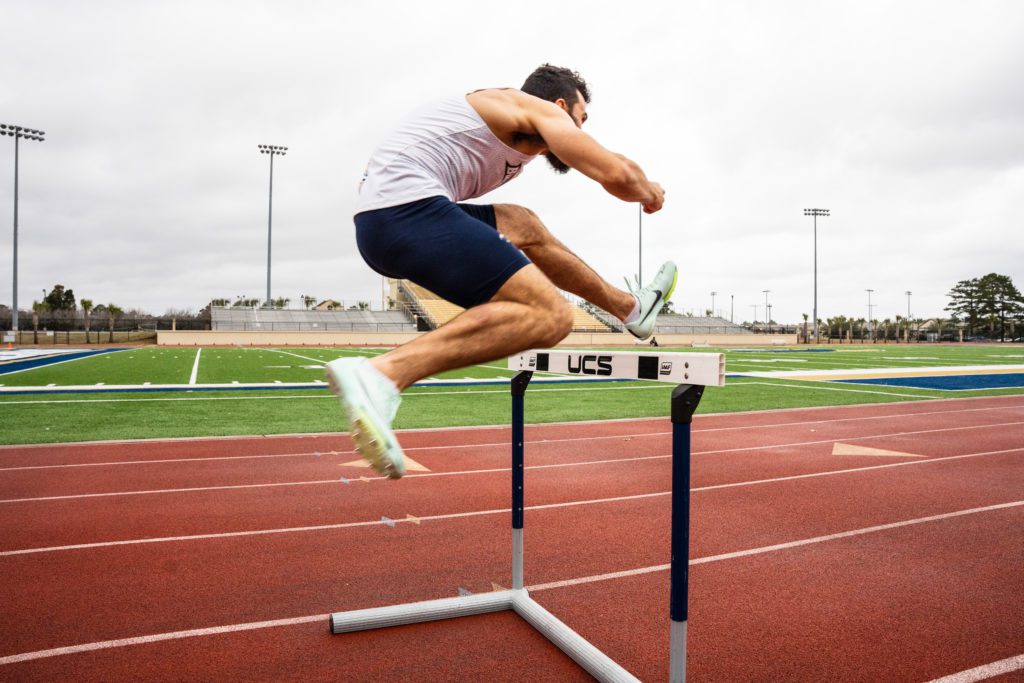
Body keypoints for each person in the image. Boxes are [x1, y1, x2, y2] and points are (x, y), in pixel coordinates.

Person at [326, 64, 675, 478]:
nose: (580, 131)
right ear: (561, 106)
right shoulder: (528, 106)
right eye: (581, 120)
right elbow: (616, 173)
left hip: (392, 218)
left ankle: (633, 310)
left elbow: (604, 160)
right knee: (550, 316)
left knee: (523, 224)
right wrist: (649, 191)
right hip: (404, 212)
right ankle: (382, 374)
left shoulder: (511, 124)